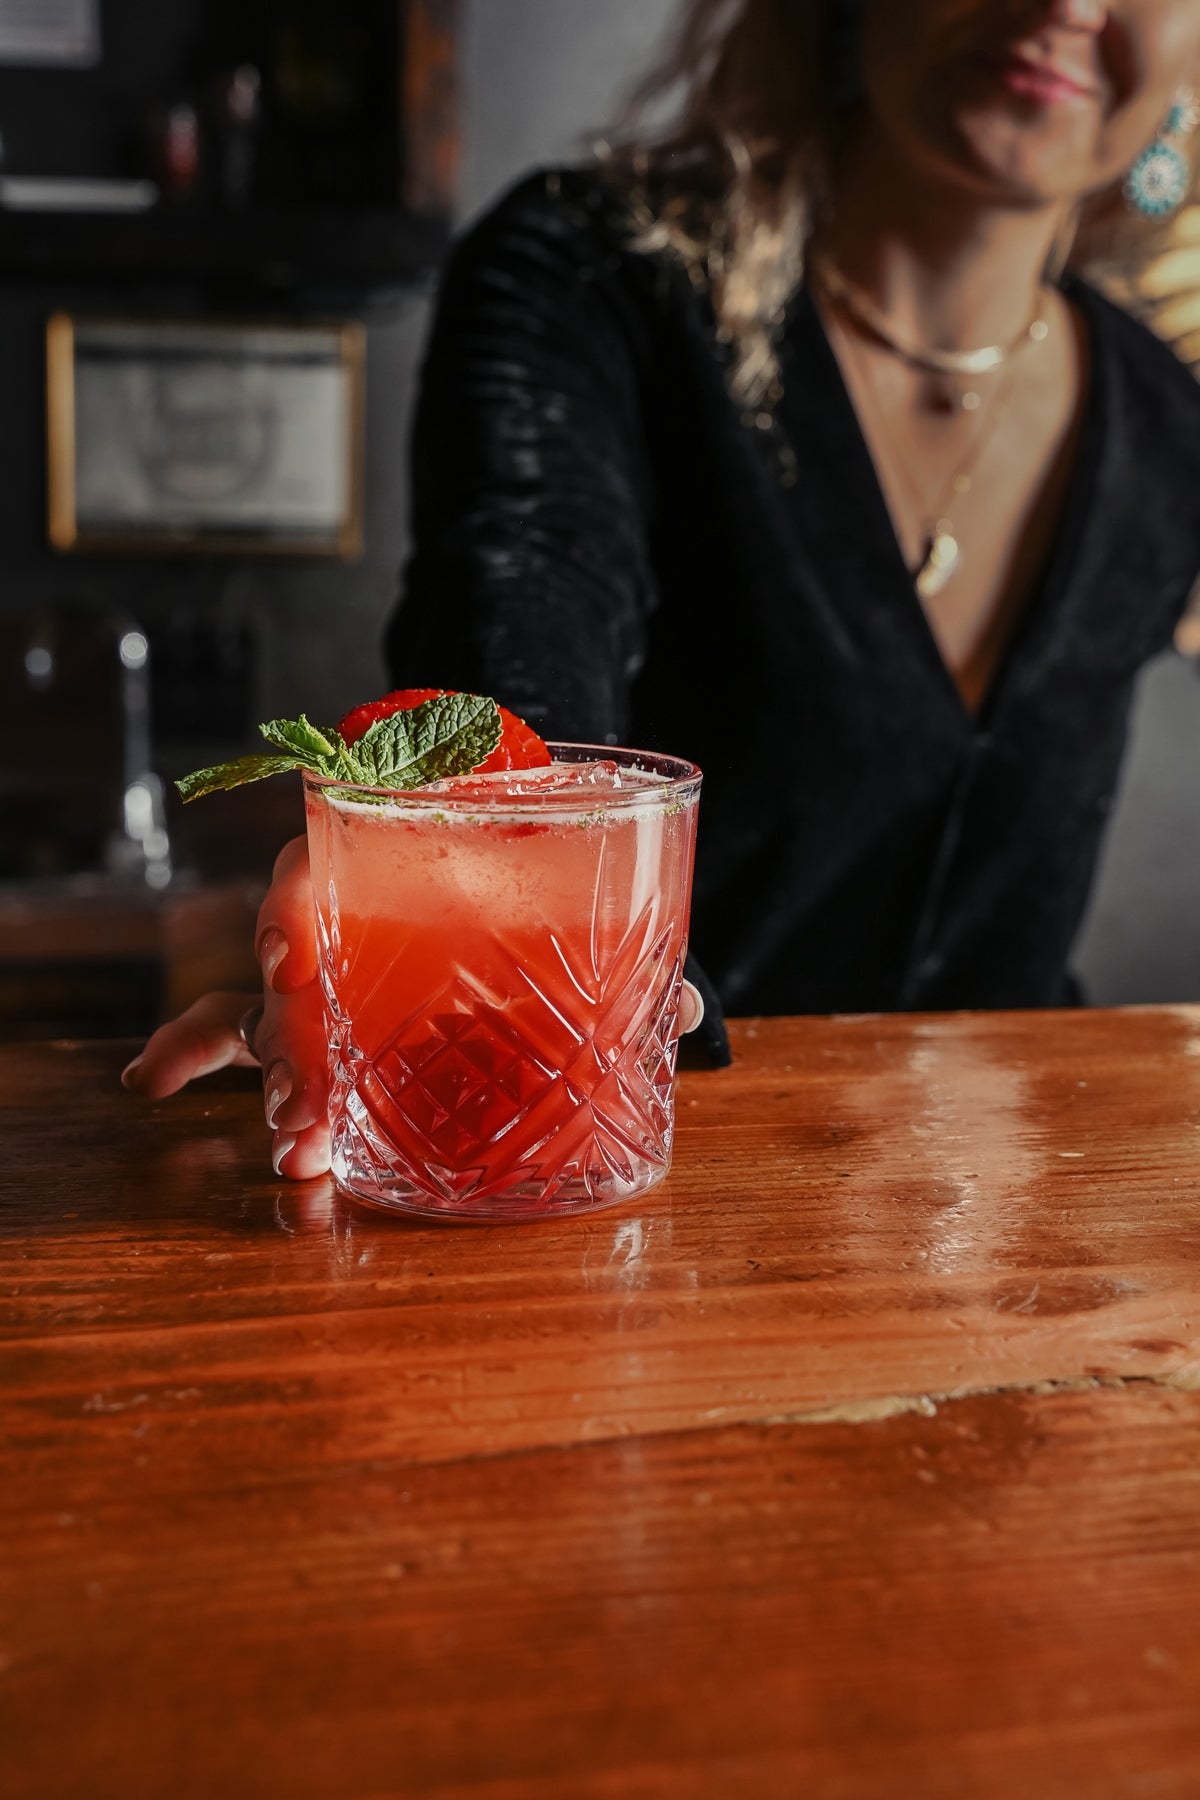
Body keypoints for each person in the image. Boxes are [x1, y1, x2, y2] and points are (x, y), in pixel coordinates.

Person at [124, 0, 1200, 1181]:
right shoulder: (589, 274)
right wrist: (461, 900)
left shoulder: (1169, 421)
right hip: (641, 1197)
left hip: (1028, 1225)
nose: (1068, 5)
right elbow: (516, 646)